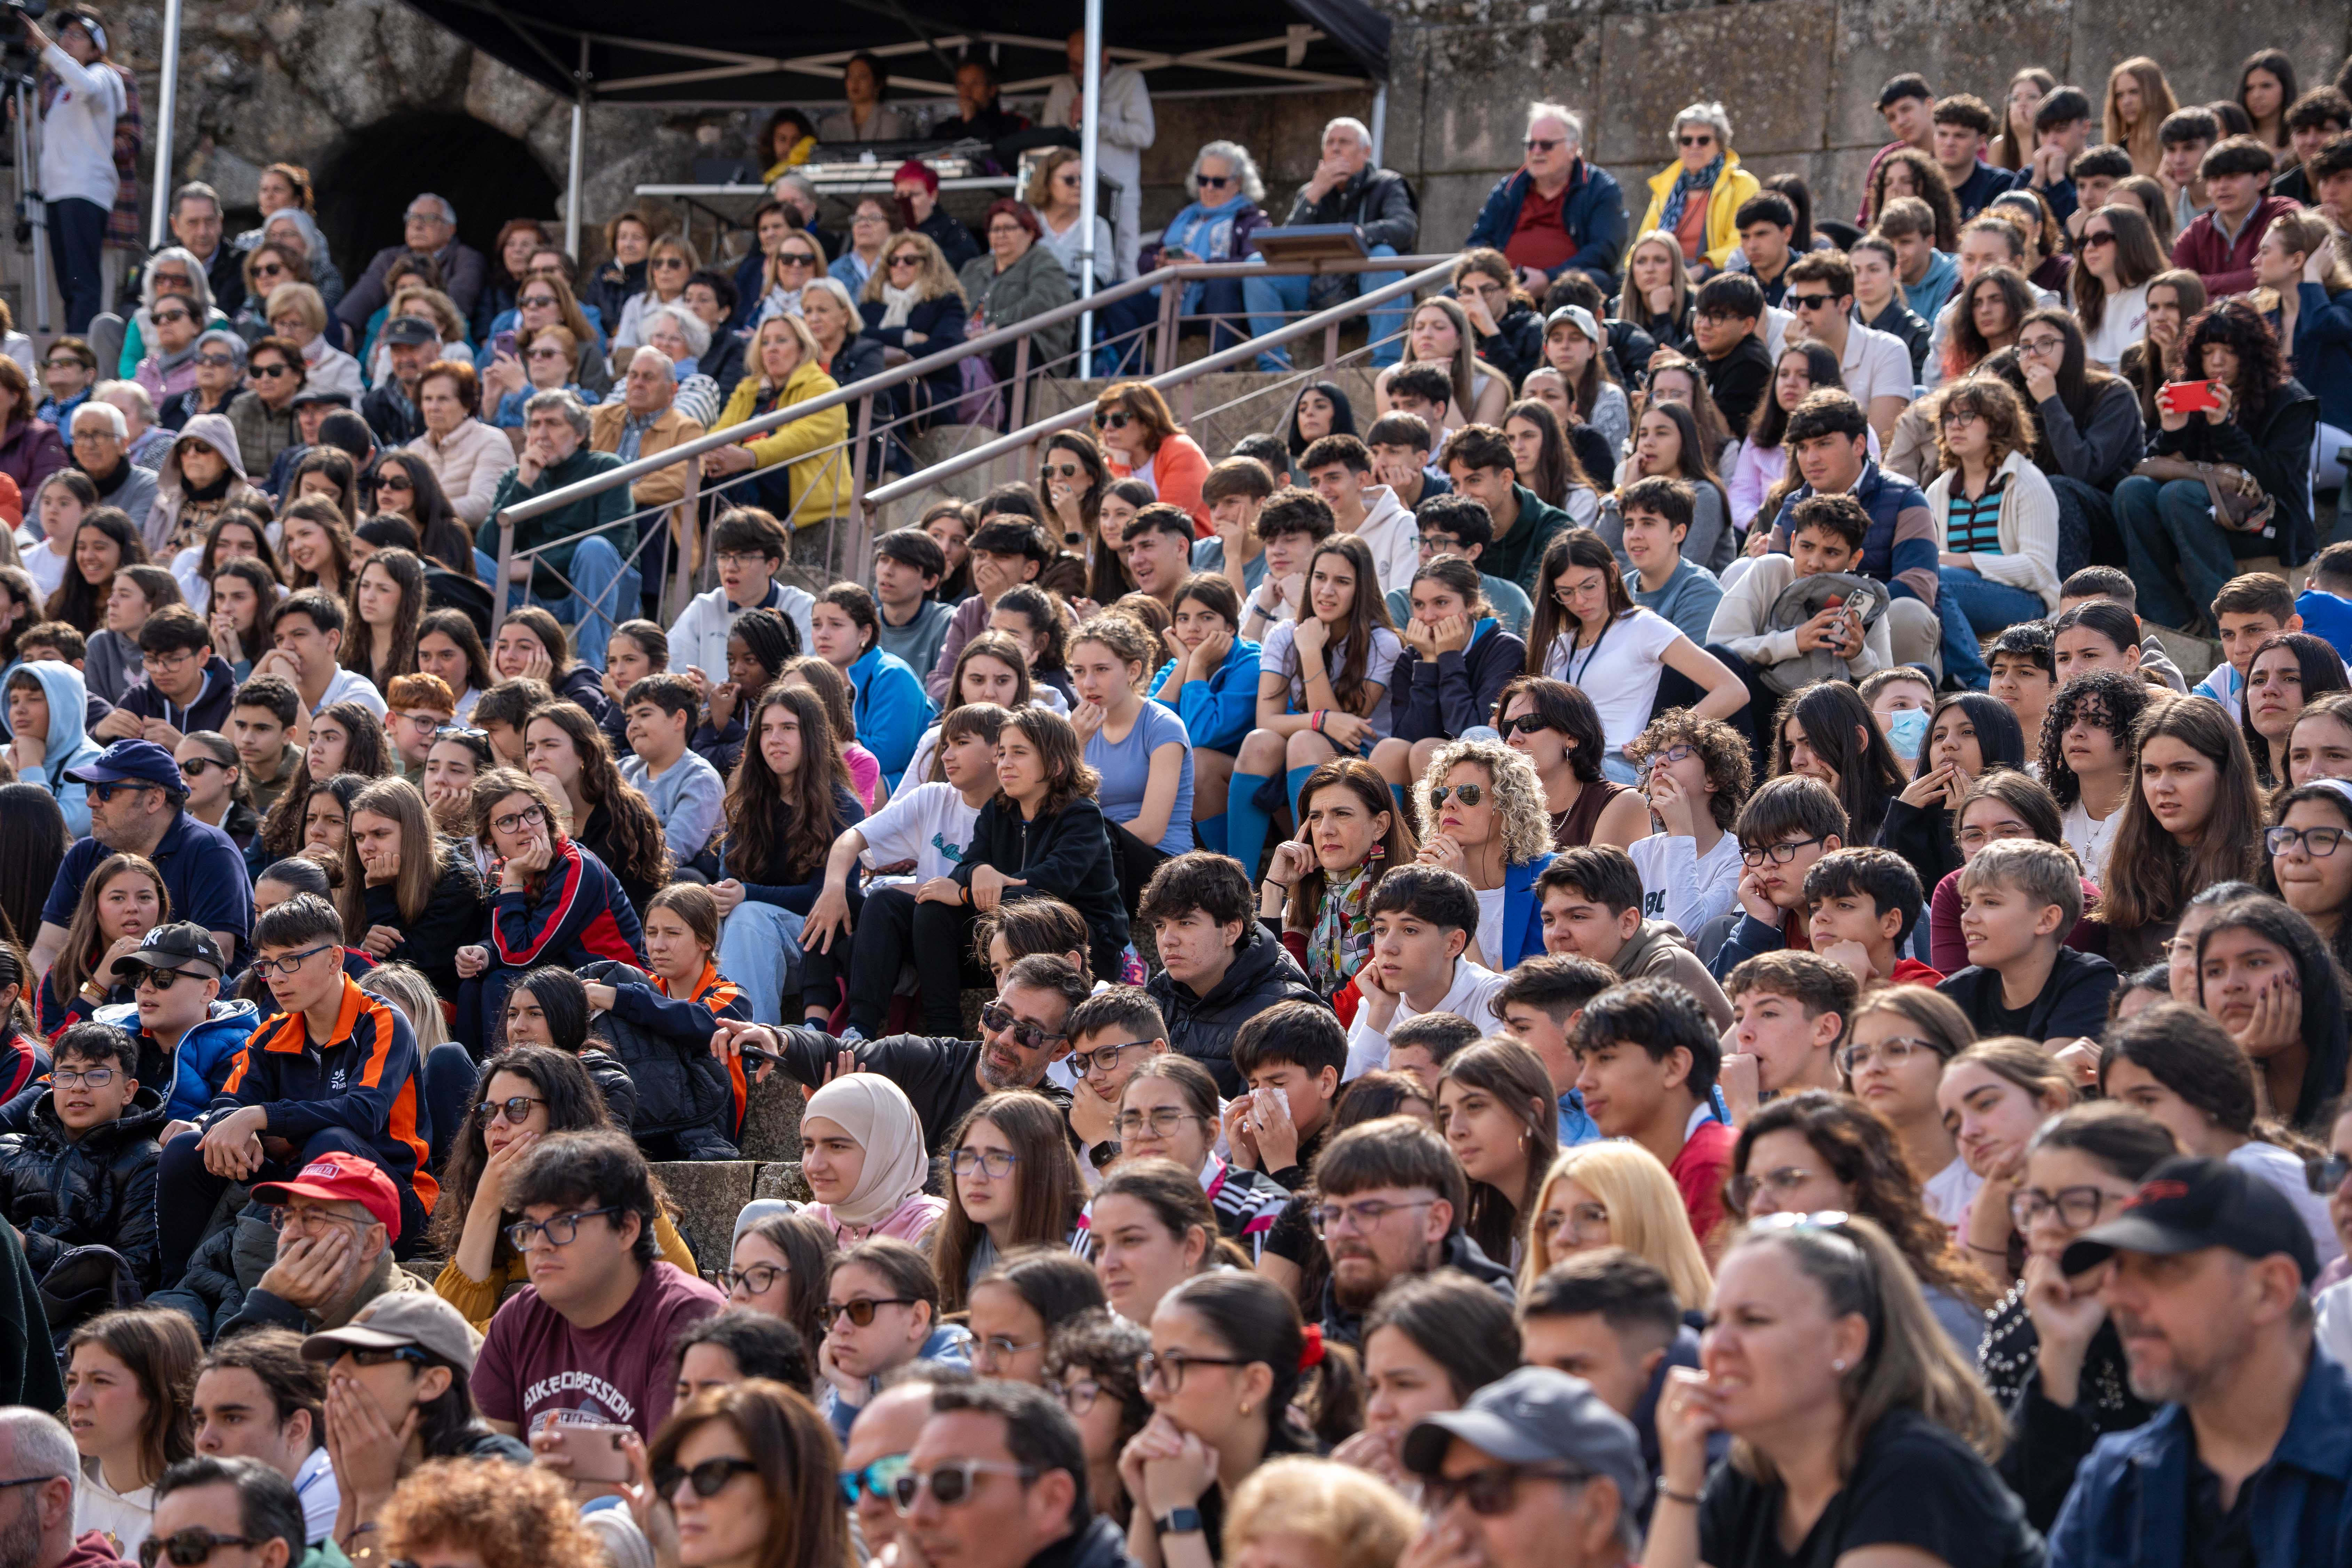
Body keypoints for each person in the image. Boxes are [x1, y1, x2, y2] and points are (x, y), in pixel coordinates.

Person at [1645, 1213, 2040, 1568]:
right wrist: (1681, 1482)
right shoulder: (1751, 1476)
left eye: (1753, 1320)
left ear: (1846, 1343)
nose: (1717, 1346)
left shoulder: (1915, 1470)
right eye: (1714, 1321)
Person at [2040, 1150, 2352, 1566]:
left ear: (2270, 1290)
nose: (2116, 1297)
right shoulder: (2116, 1479)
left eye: (2162, 1266)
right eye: (2117, 1270)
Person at [1724, 1091, 1996, 1354]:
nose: (1758, 1206)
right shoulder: (1741, 1309)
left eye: (1786, 1180)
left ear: (1856, 1190)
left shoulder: (1932, 1316)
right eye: (1751, 1187)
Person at [2118, 302, 2319, 631]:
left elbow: (2278, 478)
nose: (2216, 361)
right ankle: (2172, 623)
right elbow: (2153, 466)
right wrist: (2171, 431)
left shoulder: (2290, 400)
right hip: (2197, 515)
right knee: (2132, 492)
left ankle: (2224, 627)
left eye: (2229, 350)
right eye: (2208, 351)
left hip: (2268, 520)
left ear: (2252, 352)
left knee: (2178, 494)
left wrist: (2223, 428)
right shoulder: (2195, 389)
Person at [31, 736, 252, 977]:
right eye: (90, 788)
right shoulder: (84, 853)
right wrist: (64, 1005)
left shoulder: (211, 851)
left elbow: (214, 954)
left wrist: (113, 990)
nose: (91, 801)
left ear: (155, 799)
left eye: (106, 790)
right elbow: (47, 949)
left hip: (185, 1009)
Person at [0, 1019, 162, 1289]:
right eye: (66, 1074)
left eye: (97, 1074)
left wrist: (28, 1246)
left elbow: (132, 1274)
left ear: (128, 1092)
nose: (78, 1087)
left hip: (75, 1310)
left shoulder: (145, 1162)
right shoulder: (11, 1150)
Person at [1567, 977, 1731, 1243]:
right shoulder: (1637, 1173)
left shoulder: (1712, 1166)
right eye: (1583, 1063)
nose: (1583, 1082)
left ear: (1674, 1067)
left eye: (1605, 1059)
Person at [63, 1307, 199, 1559]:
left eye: (101, 1381)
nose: (76, 1400)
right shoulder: (58, 1494)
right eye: (72, 1381)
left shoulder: (202, 1513)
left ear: (158, 1393)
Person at [25, 13, 124, 335]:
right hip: (59, 190)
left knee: (82, 281)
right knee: (70, 283)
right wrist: (26, 117)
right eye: (64, 33)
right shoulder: (64, 94)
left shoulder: (102, 75)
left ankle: (82, 352)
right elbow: (52, 142)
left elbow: (86, 86)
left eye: (77, 36)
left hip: (83, 189)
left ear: (96, 50)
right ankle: (75, 344)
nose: (66, 39)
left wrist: (45, 44)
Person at [1636, 102, 1759, 274]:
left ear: (1720, 143)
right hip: (1666, 274)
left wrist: (1704, 267)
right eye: (1687, 141)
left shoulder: (1742, 184)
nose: (1695, 146)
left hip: (1716, 275)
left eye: (1703, 140)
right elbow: (1643, 243)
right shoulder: (1666, 186)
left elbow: (1741, 245)